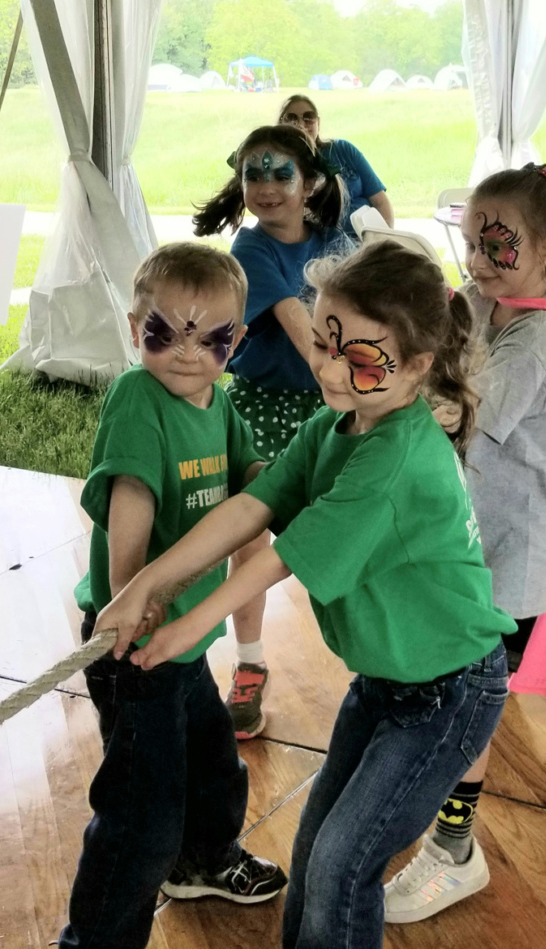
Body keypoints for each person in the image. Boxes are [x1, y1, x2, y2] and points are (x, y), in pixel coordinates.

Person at [93, 240, 518, 949]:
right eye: (323, 342)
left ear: (417, 366)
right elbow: (252, 506)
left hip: (447, 694)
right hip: (387, 683)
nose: (327, 367)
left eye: (359, 360)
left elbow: (278, 558)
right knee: (320, 848)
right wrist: (144, 585)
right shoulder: (337, 423)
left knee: (343, 865)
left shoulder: (394, 460)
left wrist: (177, 628)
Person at [384, 163, 546, 924]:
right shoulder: (483, 303)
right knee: (446, 690)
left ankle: (454, 850)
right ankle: (422, 817)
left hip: (513, 565)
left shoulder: (541, 337)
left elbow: (461, 412)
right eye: (471, 240)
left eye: (498, 243)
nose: (478, 258)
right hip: (473, 545)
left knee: (467, 707)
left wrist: (378, 395)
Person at [60, 243, 287, 949]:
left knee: (213, 759)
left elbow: (250, 469)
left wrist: (288, 483)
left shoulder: (217, 402)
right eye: (165, 332)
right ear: (135, 329)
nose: (186, 354)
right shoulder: (139, 397)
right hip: (133, 638)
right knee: (141, 813)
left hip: (181, 639)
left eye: (211, 337)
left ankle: (202, 858)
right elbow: (130, 498)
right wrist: (128, 597)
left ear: (237, 342)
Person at [193, 124, 347, 739]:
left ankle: (382, 668)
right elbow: (305, 333)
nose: (266, 186)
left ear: (309, 183)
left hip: (332, 405)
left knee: (347, 534)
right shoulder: (252, 250)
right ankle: (250, 665)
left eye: (281, 172)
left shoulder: (340, 238)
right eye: (253, 173)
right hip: (266, 405)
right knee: (250, 541)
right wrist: (359, 381)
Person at [277, 93, 395, 235]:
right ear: (280, 125)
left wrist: (386, 239)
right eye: (292, 118)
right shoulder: (280, 166)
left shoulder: (343, 149)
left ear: (318, 123)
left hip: (369, 240)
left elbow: (380, 201)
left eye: (308, 117)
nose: (301, 124)